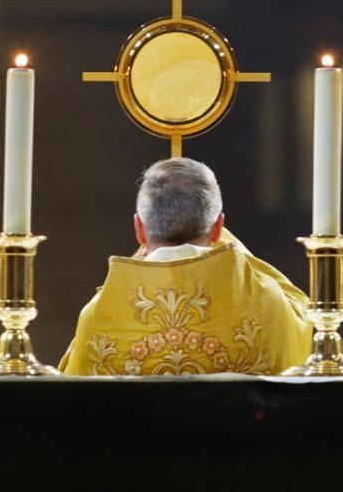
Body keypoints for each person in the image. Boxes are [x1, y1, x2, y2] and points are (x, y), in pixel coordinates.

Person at [59, 157, 312, 375]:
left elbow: (73, 398)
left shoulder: (99, 315)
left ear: (139, 229)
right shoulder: (268, 306)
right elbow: (303, 323)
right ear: (218, 226)